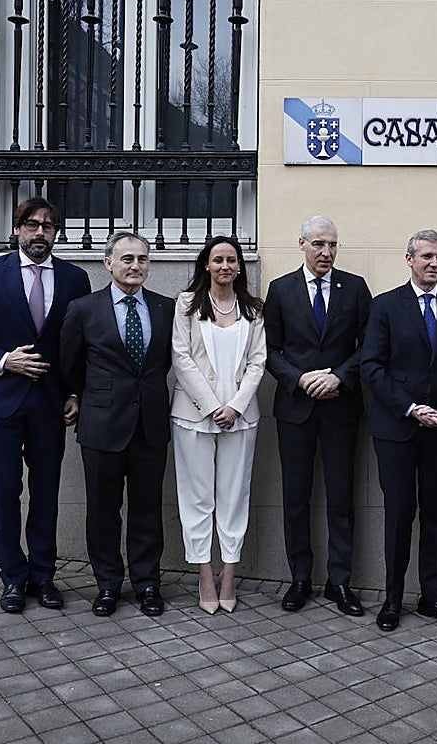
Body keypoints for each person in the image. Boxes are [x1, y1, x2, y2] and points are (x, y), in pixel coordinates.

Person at [0, 198, 91, 613]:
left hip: (49, 404)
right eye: (31, 225)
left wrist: (74, 392)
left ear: (56, 232)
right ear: (17, 230)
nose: (39, 232)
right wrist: (3, 359)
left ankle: (43, 576)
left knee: (46, 493)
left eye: (48, 225)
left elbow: (76, 347)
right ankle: (12, 577)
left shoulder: (75, 279)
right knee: (4, 491)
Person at [361, 229, 437, 632]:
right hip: (396, 429)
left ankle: (433, 597)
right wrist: (412, 408)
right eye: (427, 256)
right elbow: (372, 367)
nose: (434, 264)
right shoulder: (385, 306)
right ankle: (393, 598)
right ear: (409, 259)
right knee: (398, 514)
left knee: (434, 515)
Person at [61, 232, 175, 618]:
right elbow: (70, 363)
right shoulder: (83, 309)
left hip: (150, 426)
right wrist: (78, 396)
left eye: (142, 259)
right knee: (103, 510)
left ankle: (147, 584)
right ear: (108, 263)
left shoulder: (165, 308)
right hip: (101, 425)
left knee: (147, 509)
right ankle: (108, 585)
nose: (135, 266)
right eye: (127, 259)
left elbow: (168, 363)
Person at [263, 216, 371, 616]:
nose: (326, 253)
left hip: (341, 407)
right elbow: (270, 349)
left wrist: (340, 378)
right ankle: (300, 579)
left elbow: (368, 346)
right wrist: (300, 378)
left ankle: (340, 582)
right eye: (319, 245)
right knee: (296, 498)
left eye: (332, 245)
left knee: (341, 497)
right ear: (302, 244)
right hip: (296, 408)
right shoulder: (280, 290)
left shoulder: (355, 288)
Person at [170, 236, 266, 614]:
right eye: (218, 260)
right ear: (206, 265)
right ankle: (204, 575)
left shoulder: (254, 310)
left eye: (231, 260)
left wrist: (236, 407)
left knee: (233, 498)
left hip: (241, 420)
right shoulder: (186, 305)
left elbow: (258, 362)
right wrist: (212, 407)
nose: (225, 266)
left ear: (240, 266)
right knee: (197, 501)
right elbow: (181, 358)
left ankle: (229, 574)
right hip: (193, 418)